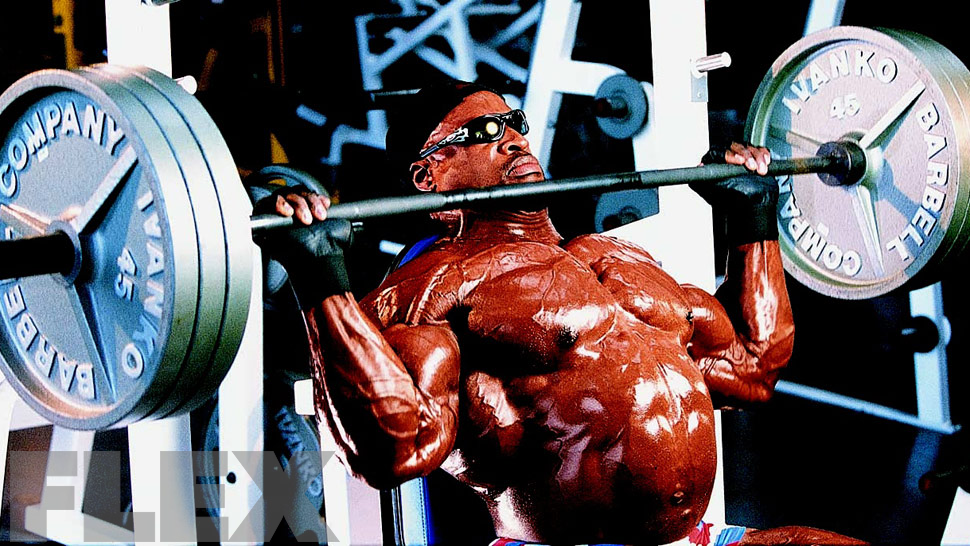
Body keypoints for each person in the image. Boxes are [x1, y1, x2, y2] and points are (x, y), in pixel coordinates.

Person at [256, 81, 865, 545]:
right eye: (481, 132)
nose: (512, 140)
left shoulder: (619, 259)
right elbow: (397, 448)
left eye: (514, 124)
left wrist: (752, 219)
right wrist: (320, 279)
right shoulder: (433, 290)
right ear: (428, 175)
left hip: (697, 538)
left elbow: (753, 367)